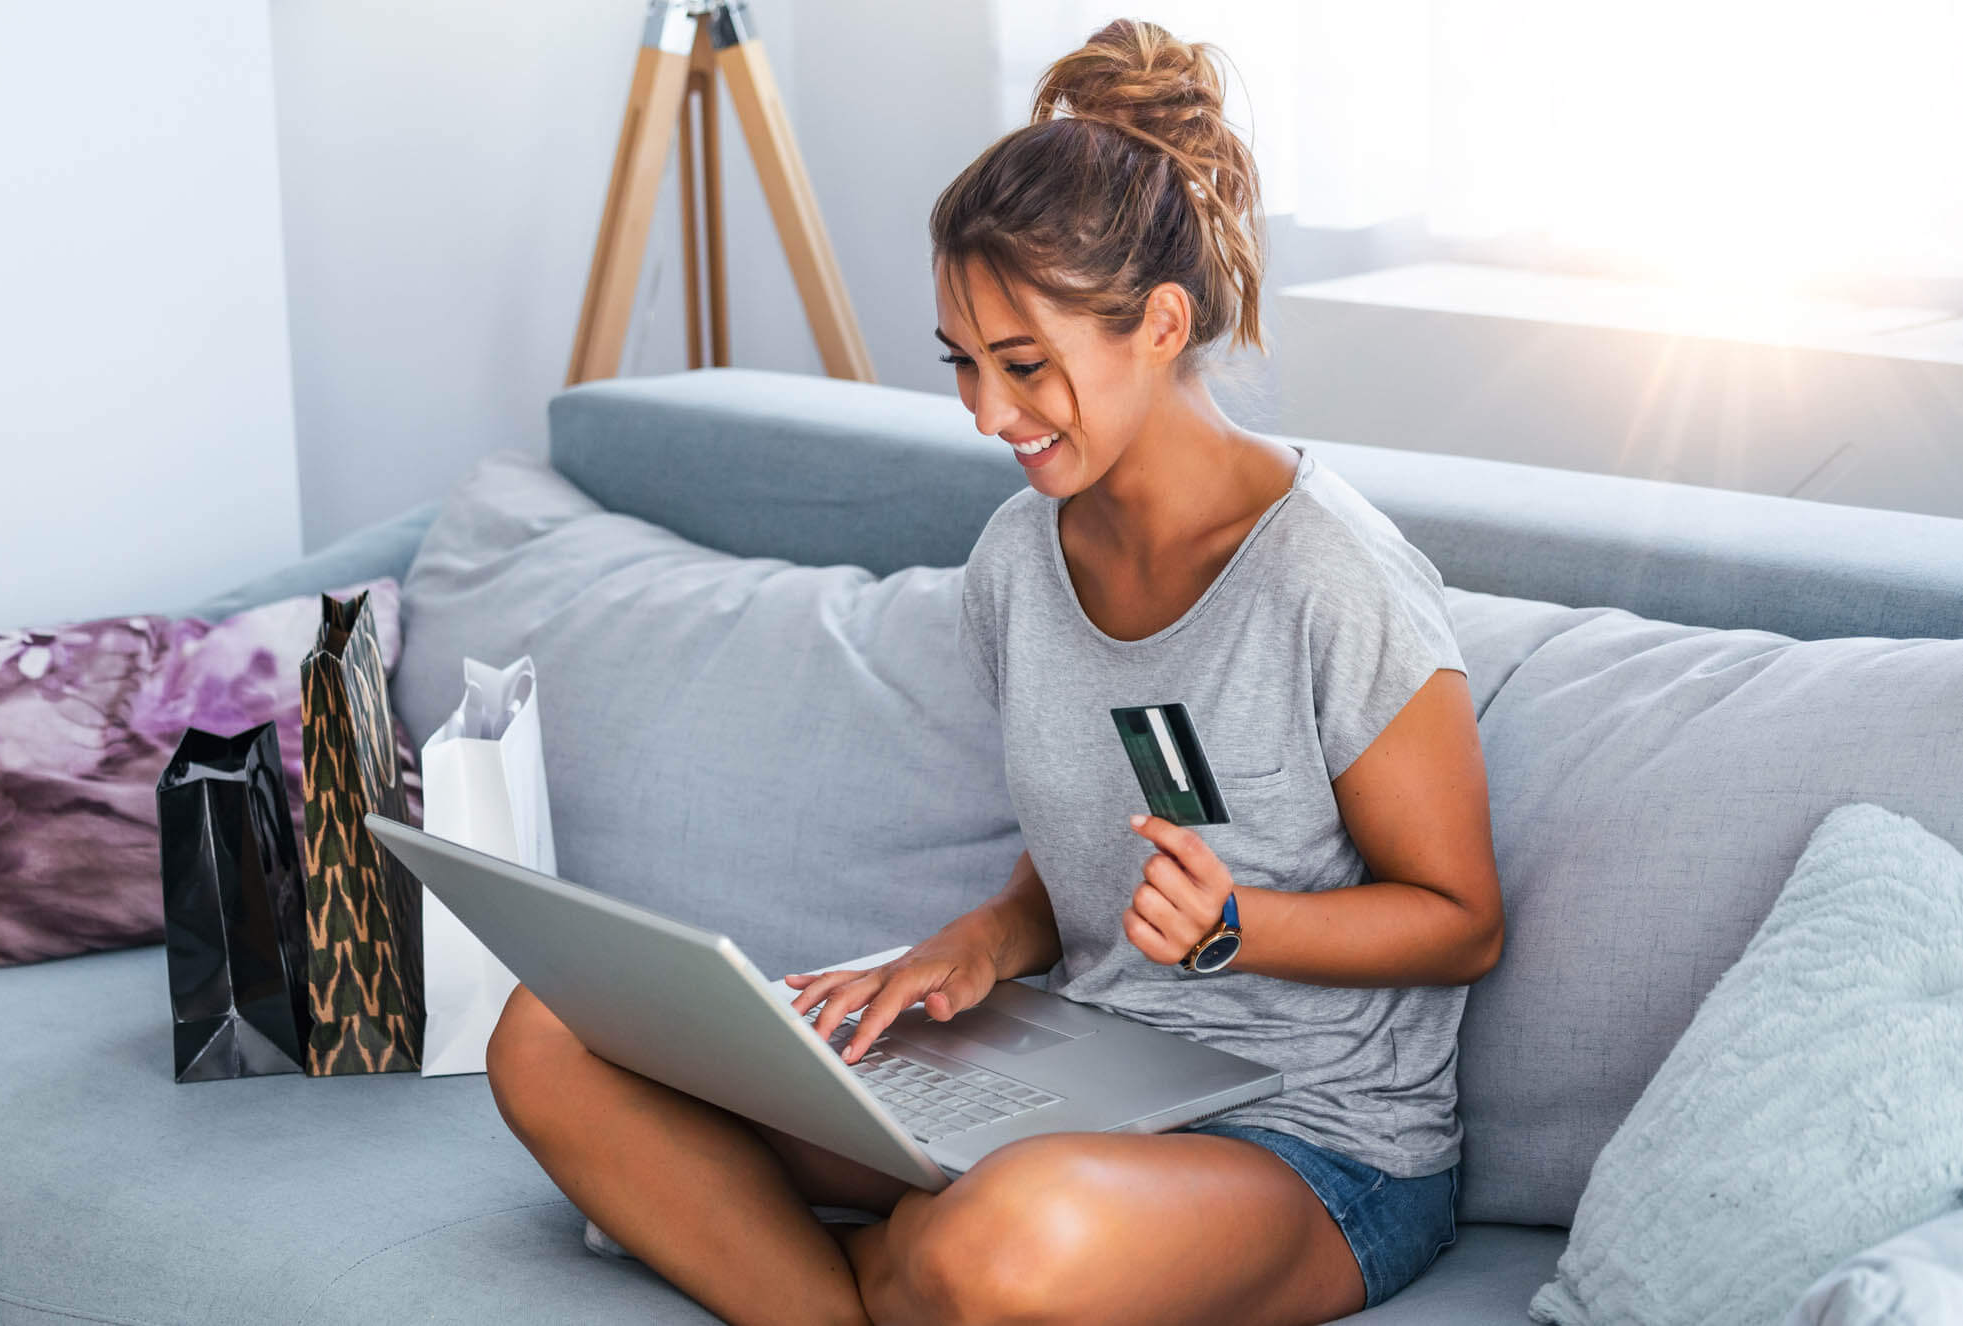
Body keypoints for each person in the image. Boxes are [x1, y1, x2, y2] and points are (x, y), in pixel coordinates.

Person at [484, 17, 1503, 1326]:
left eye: (1023, 365)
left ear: (1159, 324)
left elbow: (1459, 915)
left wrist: (1238, 925)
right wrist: (972, 943)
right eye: (961, 363)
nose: (985, 413)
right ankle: (869, 1287)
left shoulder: (1332, 575)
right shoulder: (1018, 559)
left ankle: (811, 1261)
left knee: (996, 1245)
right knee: (556, 1029)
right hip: (1083, 1068)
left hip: (1312, 1144)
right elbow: (1088, 856)